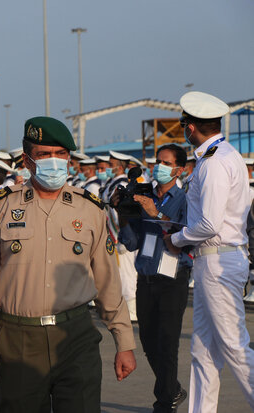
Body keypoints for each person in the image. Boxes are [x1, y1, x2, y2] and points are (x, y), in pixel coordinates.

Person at [0, 116, 136, 413]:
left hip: (76, 337)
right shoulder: (1, 207)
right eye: (44, 155)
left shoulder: (90, 208)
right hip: (18, 340)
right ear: (27, 160)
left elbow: (108, 282)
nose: (54, 162)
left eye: (61, 154)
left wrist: (124, 341)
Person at [164, 91, 254, 412]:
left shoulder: (214, 162)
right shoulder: (224, 155)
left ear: (190, 128)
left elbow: (210, 224)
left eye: (184, 125)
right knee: (202, 350)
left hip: (217, 259)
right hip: (214, 260)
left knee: (234, 346)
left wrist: (176, 240)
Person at [116, 144, 191, 413]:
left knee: (168, 343)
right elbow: (132, 241)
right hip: (146, 277)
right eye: (156, 161)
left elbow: (184, 237)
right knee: (148, 341)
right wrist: (123, 213)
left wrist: (155, 213)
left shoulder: (185, 200)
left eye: (165, 162)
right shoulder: (145, 195)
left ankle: (165, 403)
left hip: (173, 278)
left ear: (179, 169)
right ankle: (173, 389)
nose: (157, 166)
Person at [105, 150, 139, 322]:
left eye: (110, 165)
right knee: (120, 273)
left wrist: (125, 236)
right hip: (115, 233)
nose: (106, 168)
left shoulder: (123, 185)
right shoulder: (113, 183)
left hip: (123, 234)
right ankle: (125, 306)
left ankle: (132, 308)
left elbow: (127, 212)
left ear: (119, 167)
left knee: (127, 274)